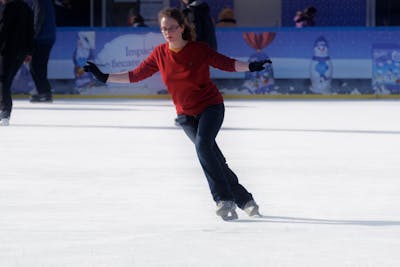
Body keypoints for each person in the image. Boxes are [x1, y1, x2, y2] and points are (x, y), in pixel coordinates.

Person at [84, 8, 271, 221]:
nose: (168, 32)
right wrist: (104, 77)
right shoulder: (160, 54)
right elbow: (136, 75)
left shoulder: (198, 49)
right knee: (213, 157)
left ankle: (223, 199)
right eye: (164, 28)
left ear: (182, 27)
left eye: (172, 27)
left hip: (211, 107)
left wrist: (251, 66)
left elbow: (225, 63)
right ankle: (245, 201)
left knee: (203, 147)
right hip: (186, 115)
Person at [0, 0, 34, 126]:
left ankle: (5, 111)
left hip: (8, 50)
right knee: (5, 81)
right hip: (21, 52)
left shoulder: (8, 8)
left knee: (3, 80)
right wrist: (29, 51)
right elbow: (31, 31)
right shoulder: (26, 8)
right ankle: (4, 110)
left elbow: (3, 30)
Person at [29, 0, 56, 103]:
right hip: (47, 37)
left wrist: (33, 36)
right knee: (38, 66)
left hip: (42, 38)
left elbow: (38, 18)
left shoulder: (40, 2)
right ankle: (43, 91)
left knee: (36, 66)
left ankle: (44, 92)